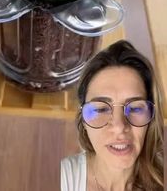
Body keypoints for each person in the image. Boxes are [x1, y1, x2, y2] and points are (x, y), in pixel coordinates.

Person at [61, 40, 163, 190]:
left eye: (135, 109)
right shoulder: (62, 179)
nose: (119, 127)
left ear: (151, 117)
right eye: (101, 109)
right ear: (83, 120)